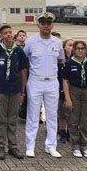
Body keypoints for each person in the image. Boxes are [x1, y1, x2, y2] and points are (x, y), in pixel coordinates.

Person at [23, 12, 65, 158]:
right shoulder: (31, 42)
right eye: (43, 23)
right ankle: (30, 146)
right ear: (38, 25)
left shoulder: (57, 43)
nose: (46, 26)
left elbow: (61, 60)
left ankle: (51, 146)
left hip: (52, 81)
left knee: (52, 116)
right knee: (33, 115)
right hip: (35, 81)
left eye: (49, 23)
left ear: (52, 25)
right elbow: (24, 61)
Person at [0, 25, 28, 160]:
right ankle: (0, 146)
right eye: (5, 33)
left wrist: (23, 91)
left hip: (16, 89)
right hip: (1, 90)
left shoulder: (19, 51)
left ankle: (13, 146)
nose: (8, 35)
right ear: (1, 35)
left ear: (14, 35)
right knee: (1, 119)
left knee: (12, 119)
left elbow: (24, 71)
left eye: (10, 32)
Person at [62, 41, 87, 158]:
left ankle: (84, 146)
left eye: (82, 48)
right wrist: (68, 98)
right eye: (78, 48)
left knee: (85, 120)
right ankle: (75, 146)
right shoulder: (69, 64)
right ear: (74, 50)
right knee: (73, 119)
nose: (80, 50)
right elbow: (65, 81)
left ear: (86, 50)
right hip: (74, 91)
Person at [58, 38, 74, 143]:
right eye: (69, 45)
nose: (72, 47)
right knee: (62, 112)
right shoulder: (60, 61)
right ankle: (62, 131)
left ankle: (70, 132)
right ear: (64, 47)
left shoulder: (75, 60)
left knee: (72, 113)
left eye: (73, 45)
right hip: (61, 89)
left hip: (73, 90)